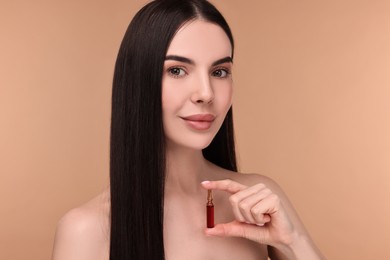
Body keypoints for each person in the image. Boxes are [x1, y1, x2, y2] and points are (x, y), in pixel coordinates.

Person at [52, 0, 325, 259]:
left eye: (219, 72)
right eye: (177, 70)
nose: (206, 94)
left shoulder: (259, 197)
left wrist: (294, 241)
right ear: (138, 82)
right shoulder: (86, 230)